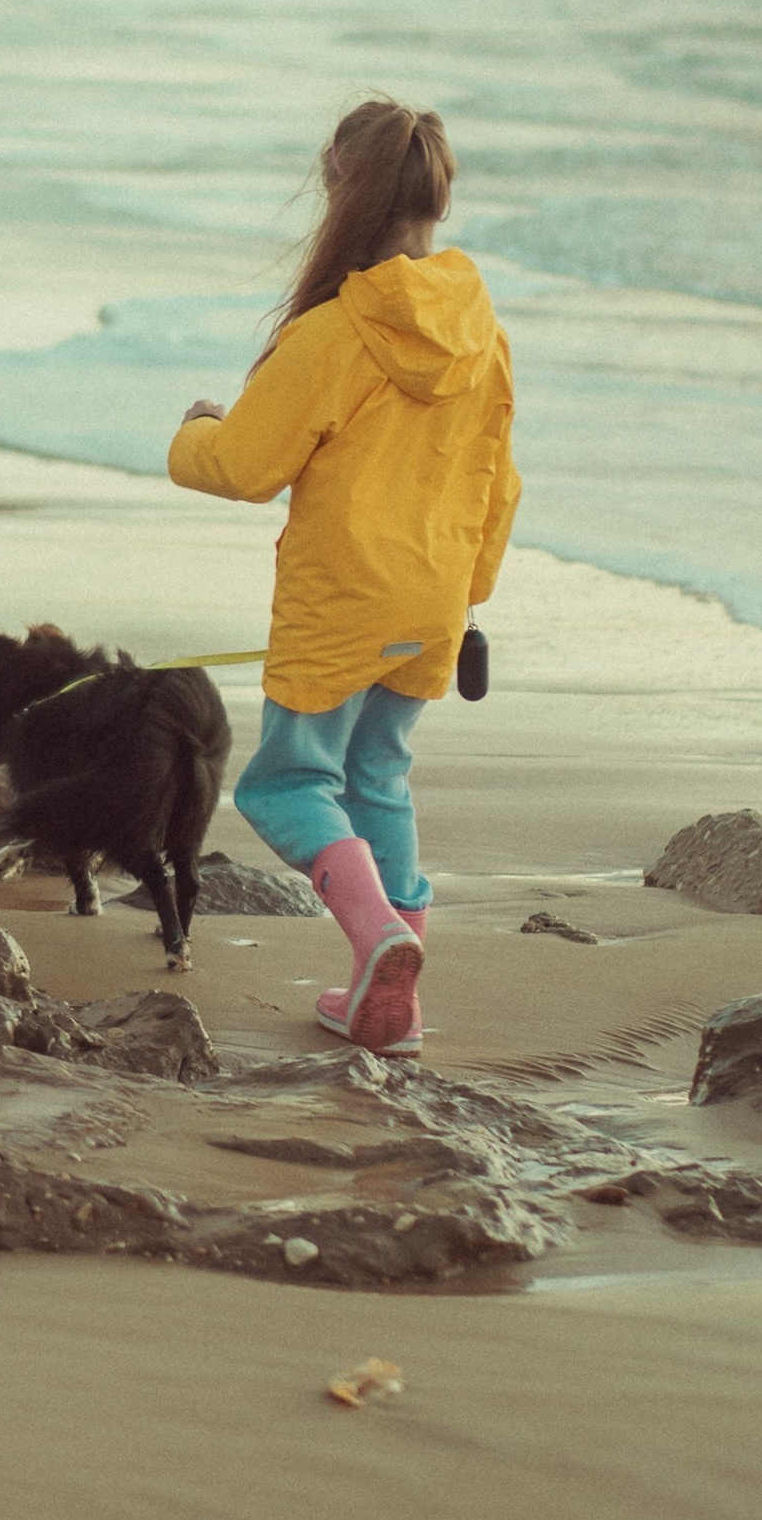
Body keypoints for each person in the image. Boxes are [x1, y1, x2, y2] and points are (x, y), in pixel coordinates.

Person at [168, 97, 519, 1054]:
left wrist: (193, 432)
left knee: (286, 786)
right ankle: (389, 998)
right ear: (435, 201)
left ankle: (377, 944)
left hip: (342, 600)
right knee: (379, 775)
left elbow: (244, 465)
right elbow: (498, 478)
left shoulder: (334, 333)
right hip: (435, 600)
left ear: (338, 188)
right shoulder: (479, 330)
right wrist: (472, 590)